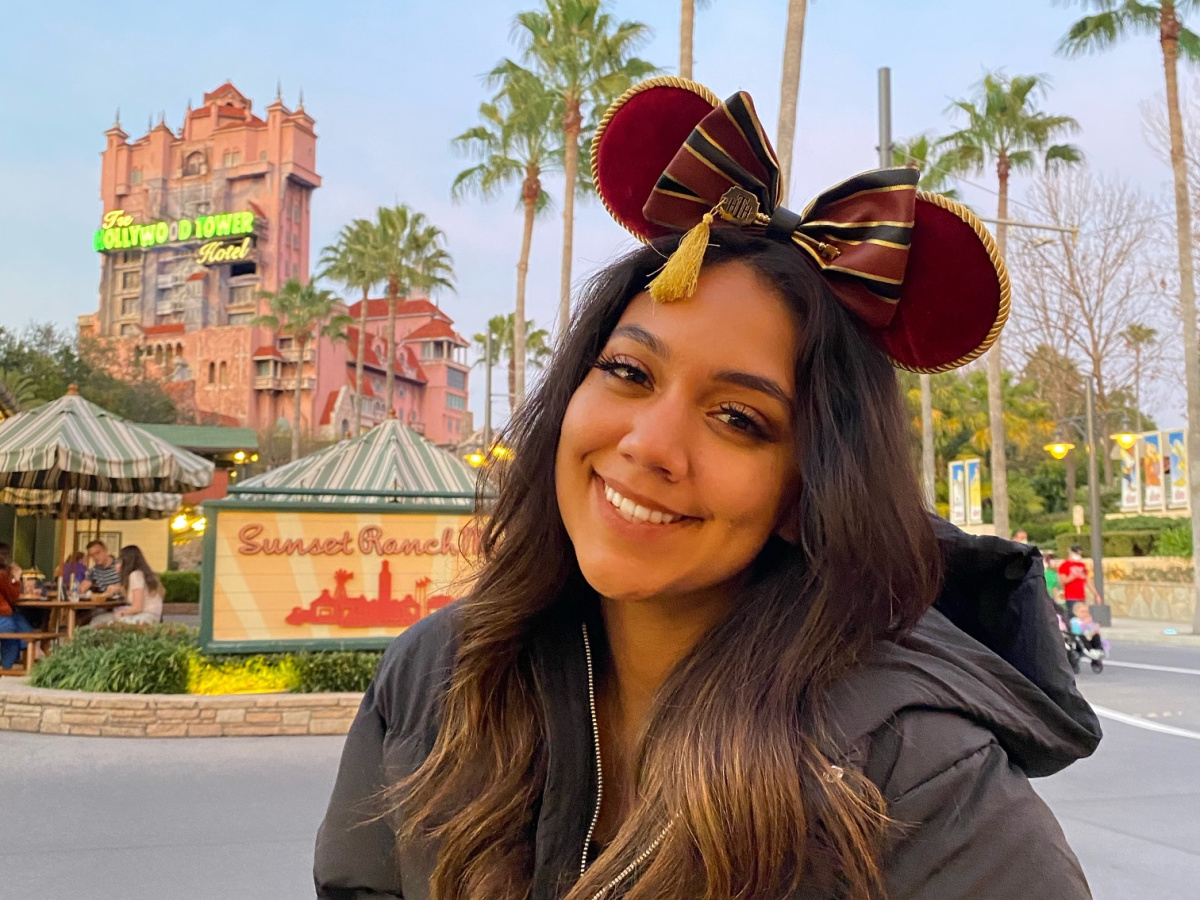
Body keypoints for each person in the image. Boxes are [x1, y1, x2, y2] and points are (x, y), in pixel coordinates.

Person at [315, 78, 1100, 900]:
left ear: (806, 494)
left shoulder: (915, 784)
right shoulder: (441, 673)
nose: (649, 444)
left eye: (737, 419)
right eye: (627, 371)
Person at [89, 545, 163, 627]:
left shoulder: (135, 575)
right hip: (149, 616)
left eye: (120, 560)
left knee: (98, 622)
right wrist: (120, 587)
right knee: (100, 619)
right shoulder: (141, 574)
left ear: (127, 561)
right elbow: (130, 600)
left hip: (145, 618)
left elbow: (137, 607)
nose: (118, 563)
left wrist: (120, 614)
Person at [0, 542, 34, 670]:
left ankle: (29, 643)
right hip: (2, 618)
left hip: (6, 615)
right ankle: (7, 670)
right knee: (15, 639)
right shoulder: (1, 574)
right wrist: (17, 578)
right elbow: (13, 596)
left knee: (22, 626)